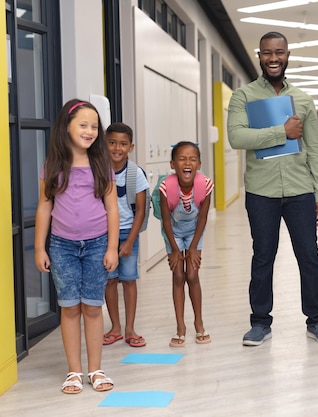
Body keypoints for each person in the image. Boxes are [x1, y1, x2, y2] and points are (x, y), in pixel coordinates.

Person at [226, 31, 318, 346]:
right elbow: (237, 138)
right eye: (267, 53)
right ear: (258, 55)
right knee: (263, 257)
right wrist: (281, 132)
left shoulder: (302, 99)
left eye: (279, 53)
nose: (273, 59)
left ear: (287, 55)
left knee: (309, 256)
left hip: (301, 190)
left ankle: (317, 321)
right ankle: (260, 322)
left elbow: (314, 148)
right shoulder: (243, 96)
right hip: (262, 192)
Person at [34, 99, 118, 394]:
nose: (90, 131)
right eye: (83, 124)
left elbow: (112, 208)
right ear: (66, 127)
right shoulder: (53, 165)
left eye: (94, 126)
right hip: (62, 247)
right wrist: (39, 248)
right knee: (69, 308)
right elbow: (45, 206)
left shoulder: (101, 163)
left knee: (93, 308)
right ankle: (74, 371)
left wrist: (111, 248)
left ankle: (95, 369)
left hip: (96, 245)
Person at [160, 141, 213, 347]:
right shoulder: (166, 187)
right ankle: (180, 326)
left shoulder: (205, 185)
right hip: (172, 232)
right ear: (173, 164)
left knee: (192, 274)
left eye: (192, 159)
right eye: (181, 158)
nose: (187, 162)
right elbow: (165, 221)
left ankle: (199, 323)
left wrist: (192, 249)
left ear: (199, 164)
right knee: (178, 275)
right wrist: (174, 250)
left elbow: (202, 218)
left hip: (194, 231)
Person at [103, 122, 149, 348]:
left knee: (129, 279)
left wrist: (130, 240)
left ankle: (130, 328)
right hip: (103, 234)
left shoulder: (135, 173)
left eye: (122, 144)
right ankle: (115, 327)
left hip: (128, 233)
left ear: (130, 147)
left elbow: (140, 210)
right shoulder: (98, 171)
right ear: (104, 144)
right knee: (109, 281)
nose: (116, 148)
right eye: (111, 143)